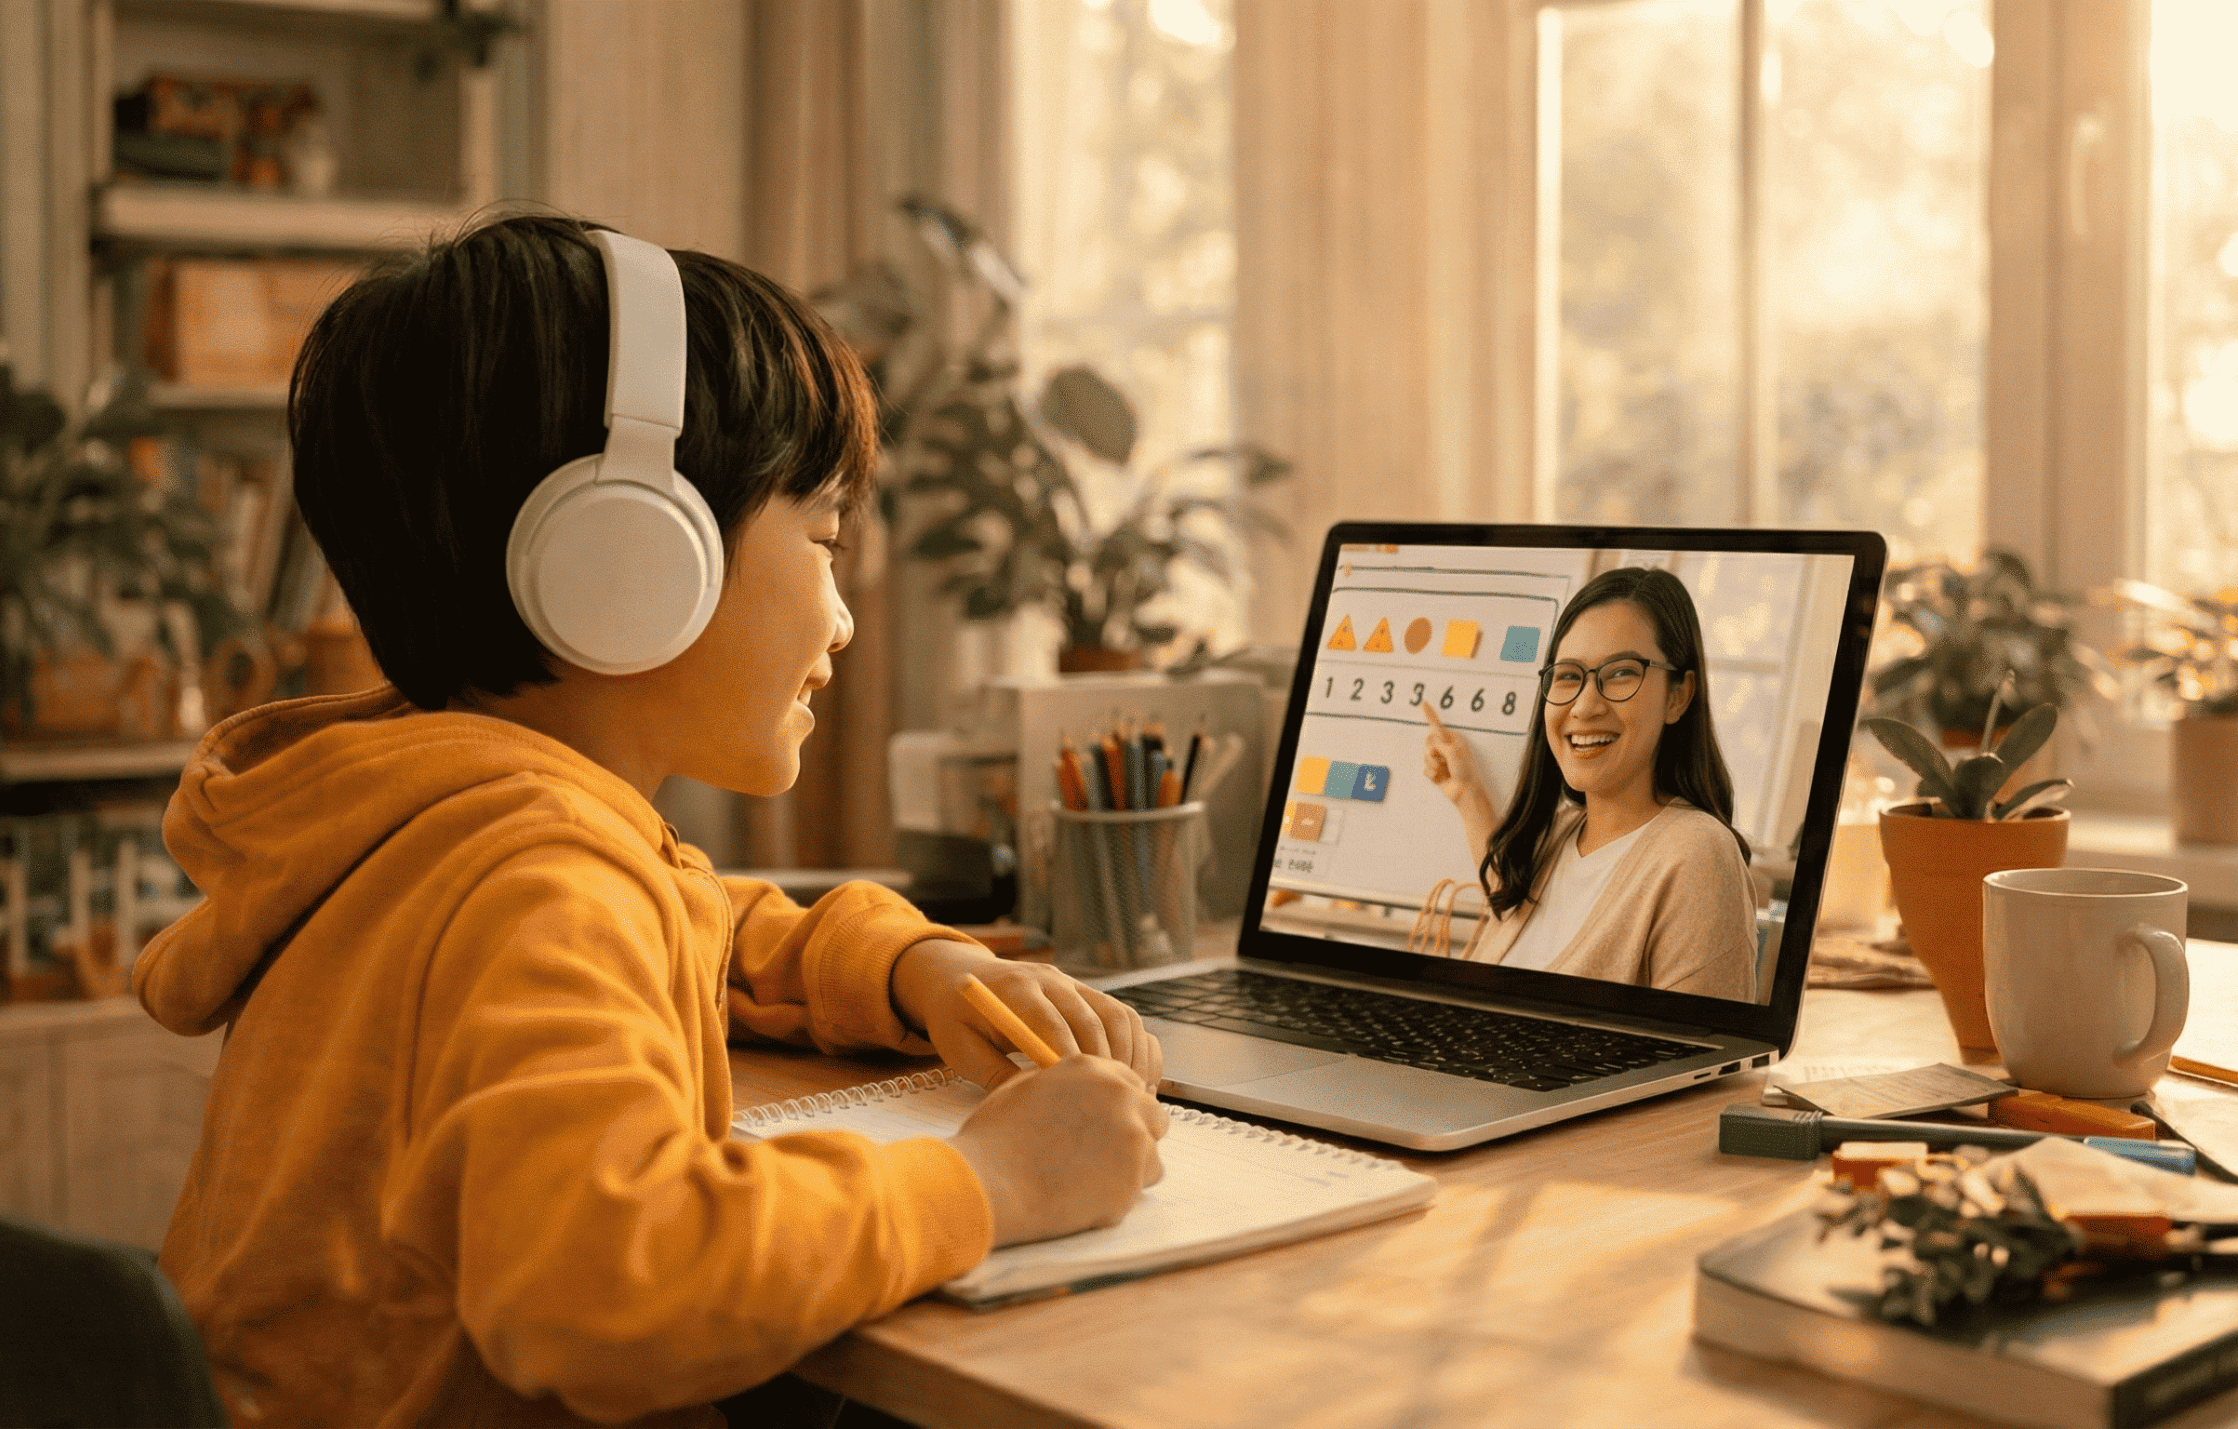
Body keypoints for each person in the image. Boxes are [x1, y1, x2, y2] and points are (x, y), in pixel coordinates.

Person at [133, 212, 1168, 1429]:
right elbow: (608, 1290)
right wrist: (990, 1178)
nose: (840, 619)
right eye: (824, 538)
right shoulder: (541, 879)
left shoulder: (444, 820)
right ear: (628, 553)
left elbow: (691, 922)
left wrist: (904, 965)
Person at [1417, 565, 1759, 999]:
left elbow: (1699, 1057)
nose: (1584, 706)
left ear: (1678, 695)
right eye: (1568, 675)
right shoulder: (1557, 834)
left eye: (1620, 673)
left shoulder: (1697, 856)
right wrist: (1467, 795)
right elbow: (1514, 899)